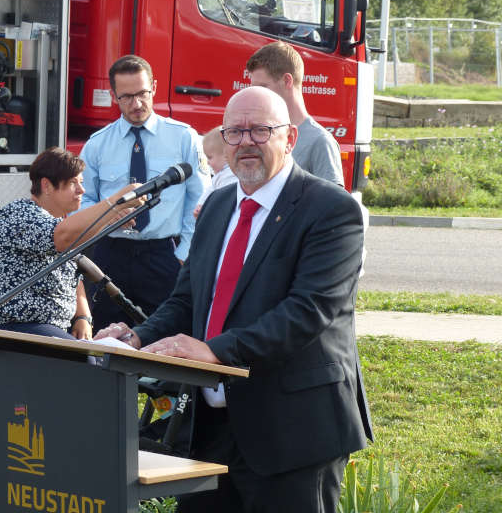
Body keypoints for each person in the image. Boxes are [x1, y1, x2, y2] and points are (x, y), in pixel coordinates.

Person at [96, 86, 373, 512]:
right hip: (212, 425)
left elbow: (307, 312)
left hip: (293, 429)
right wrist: (137, 337)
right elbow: (187, 299)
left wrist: (213, 351)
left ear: (289, 138)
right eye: (235, 132)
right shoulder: (218, 204)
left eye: (260, 131)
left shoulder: (331, 210)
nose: (246, 142)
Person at [79, 55, 208, 330]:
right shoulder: (97, 145)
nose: (136, 104)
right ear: (114, 96)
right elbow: (83, 199)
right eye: (126, 97)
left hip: (164, 254)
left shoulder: (184, 137)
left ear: (155, 88)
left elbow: (199, 200)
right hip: (110, 255)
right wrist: (106, 215)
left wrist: (183, 254)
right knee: (107, 338)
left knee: (167, 338)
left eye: (142, 94)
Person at [0, 147, 141, 339]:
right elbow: (63, 238)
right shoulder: (20, 214)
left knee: (99, 357)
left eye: (81, 182)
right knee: (91, 363)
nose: (82, 190)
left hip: (33, 328)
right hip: (7, 329)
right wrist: (116, 203)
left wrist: (83, 316)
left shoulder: (53, 222)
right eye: (73, 183)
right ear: (47, 186)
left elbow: (71, 274)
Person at [246, 40, 344, 187]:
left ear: (287, 81)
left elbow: (333, 206)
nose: (257, 95)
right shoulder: (261, 134)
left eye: (263, 87)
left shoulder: (320, 141)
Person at [193, 126, 236, 218]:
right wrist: (201, 205)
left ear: (226, 155)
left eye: (210, 157)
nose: (208, 162)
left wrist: (203, 206)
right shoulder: (221, 175)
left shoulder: (230, 176)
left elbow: (222, 197)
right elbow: (210, 190)